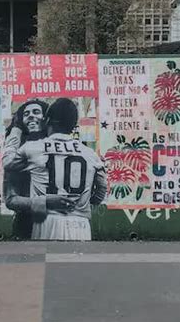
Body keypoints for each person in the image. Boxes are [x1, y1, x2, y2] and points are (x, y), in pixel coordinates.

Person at [7, 97, 107, 240]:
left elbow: (8, 159)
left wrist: (16, 129)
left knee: (46, 260)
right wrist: (85, 202)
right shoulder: (91, 155)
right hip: (81, 225)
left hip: (46, 220)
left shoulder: (33, 149)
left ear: (47, 121)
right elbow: (102, 188)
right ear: (73, 125)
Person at [2, 99, 49, 239]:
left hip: (56, 222)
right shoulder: (17, 156)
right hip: (25, 223)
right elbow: (10, 199)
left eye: (36, 112)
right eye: (26, 114)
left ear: (46, 119)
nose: (31, 116)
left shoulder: (57, 146)